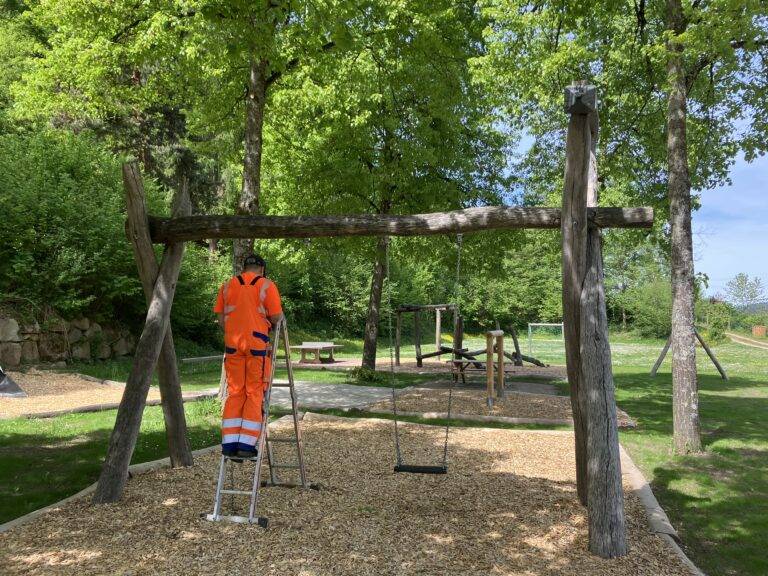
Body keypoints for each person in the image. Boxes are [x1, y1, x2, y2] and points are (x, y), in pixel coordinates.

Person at [214, 254, 283, 458]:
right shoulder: (266, 285)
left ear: (243, 268)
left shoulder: (226, 286)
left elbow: (221, 320)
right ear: (261, 269)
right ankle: (246, 445)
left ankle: (229, 444)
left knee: (235, 392)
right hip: (256, 346)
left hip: (233, 346)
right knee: (254, 392)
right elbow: (277, 317)